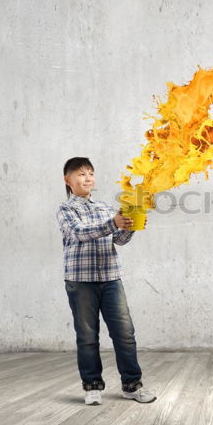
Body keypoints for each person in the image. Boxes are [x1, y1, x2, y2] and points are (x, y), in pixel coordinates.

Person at [56, 156, 156, 406]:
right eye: (81, 174)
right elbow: (80, 234)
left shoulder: (104, 207)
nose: (87, 177)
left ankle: (132, 386)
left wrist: (130, 223)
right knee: (88, 336)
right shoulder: (66, 210)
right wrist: (113, 223)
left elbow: (119, 240)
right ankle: (92, 387)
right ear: (68, 180)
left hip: (111, 278)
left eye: (90, 173)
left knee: (125, 334)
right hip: (80, 281)